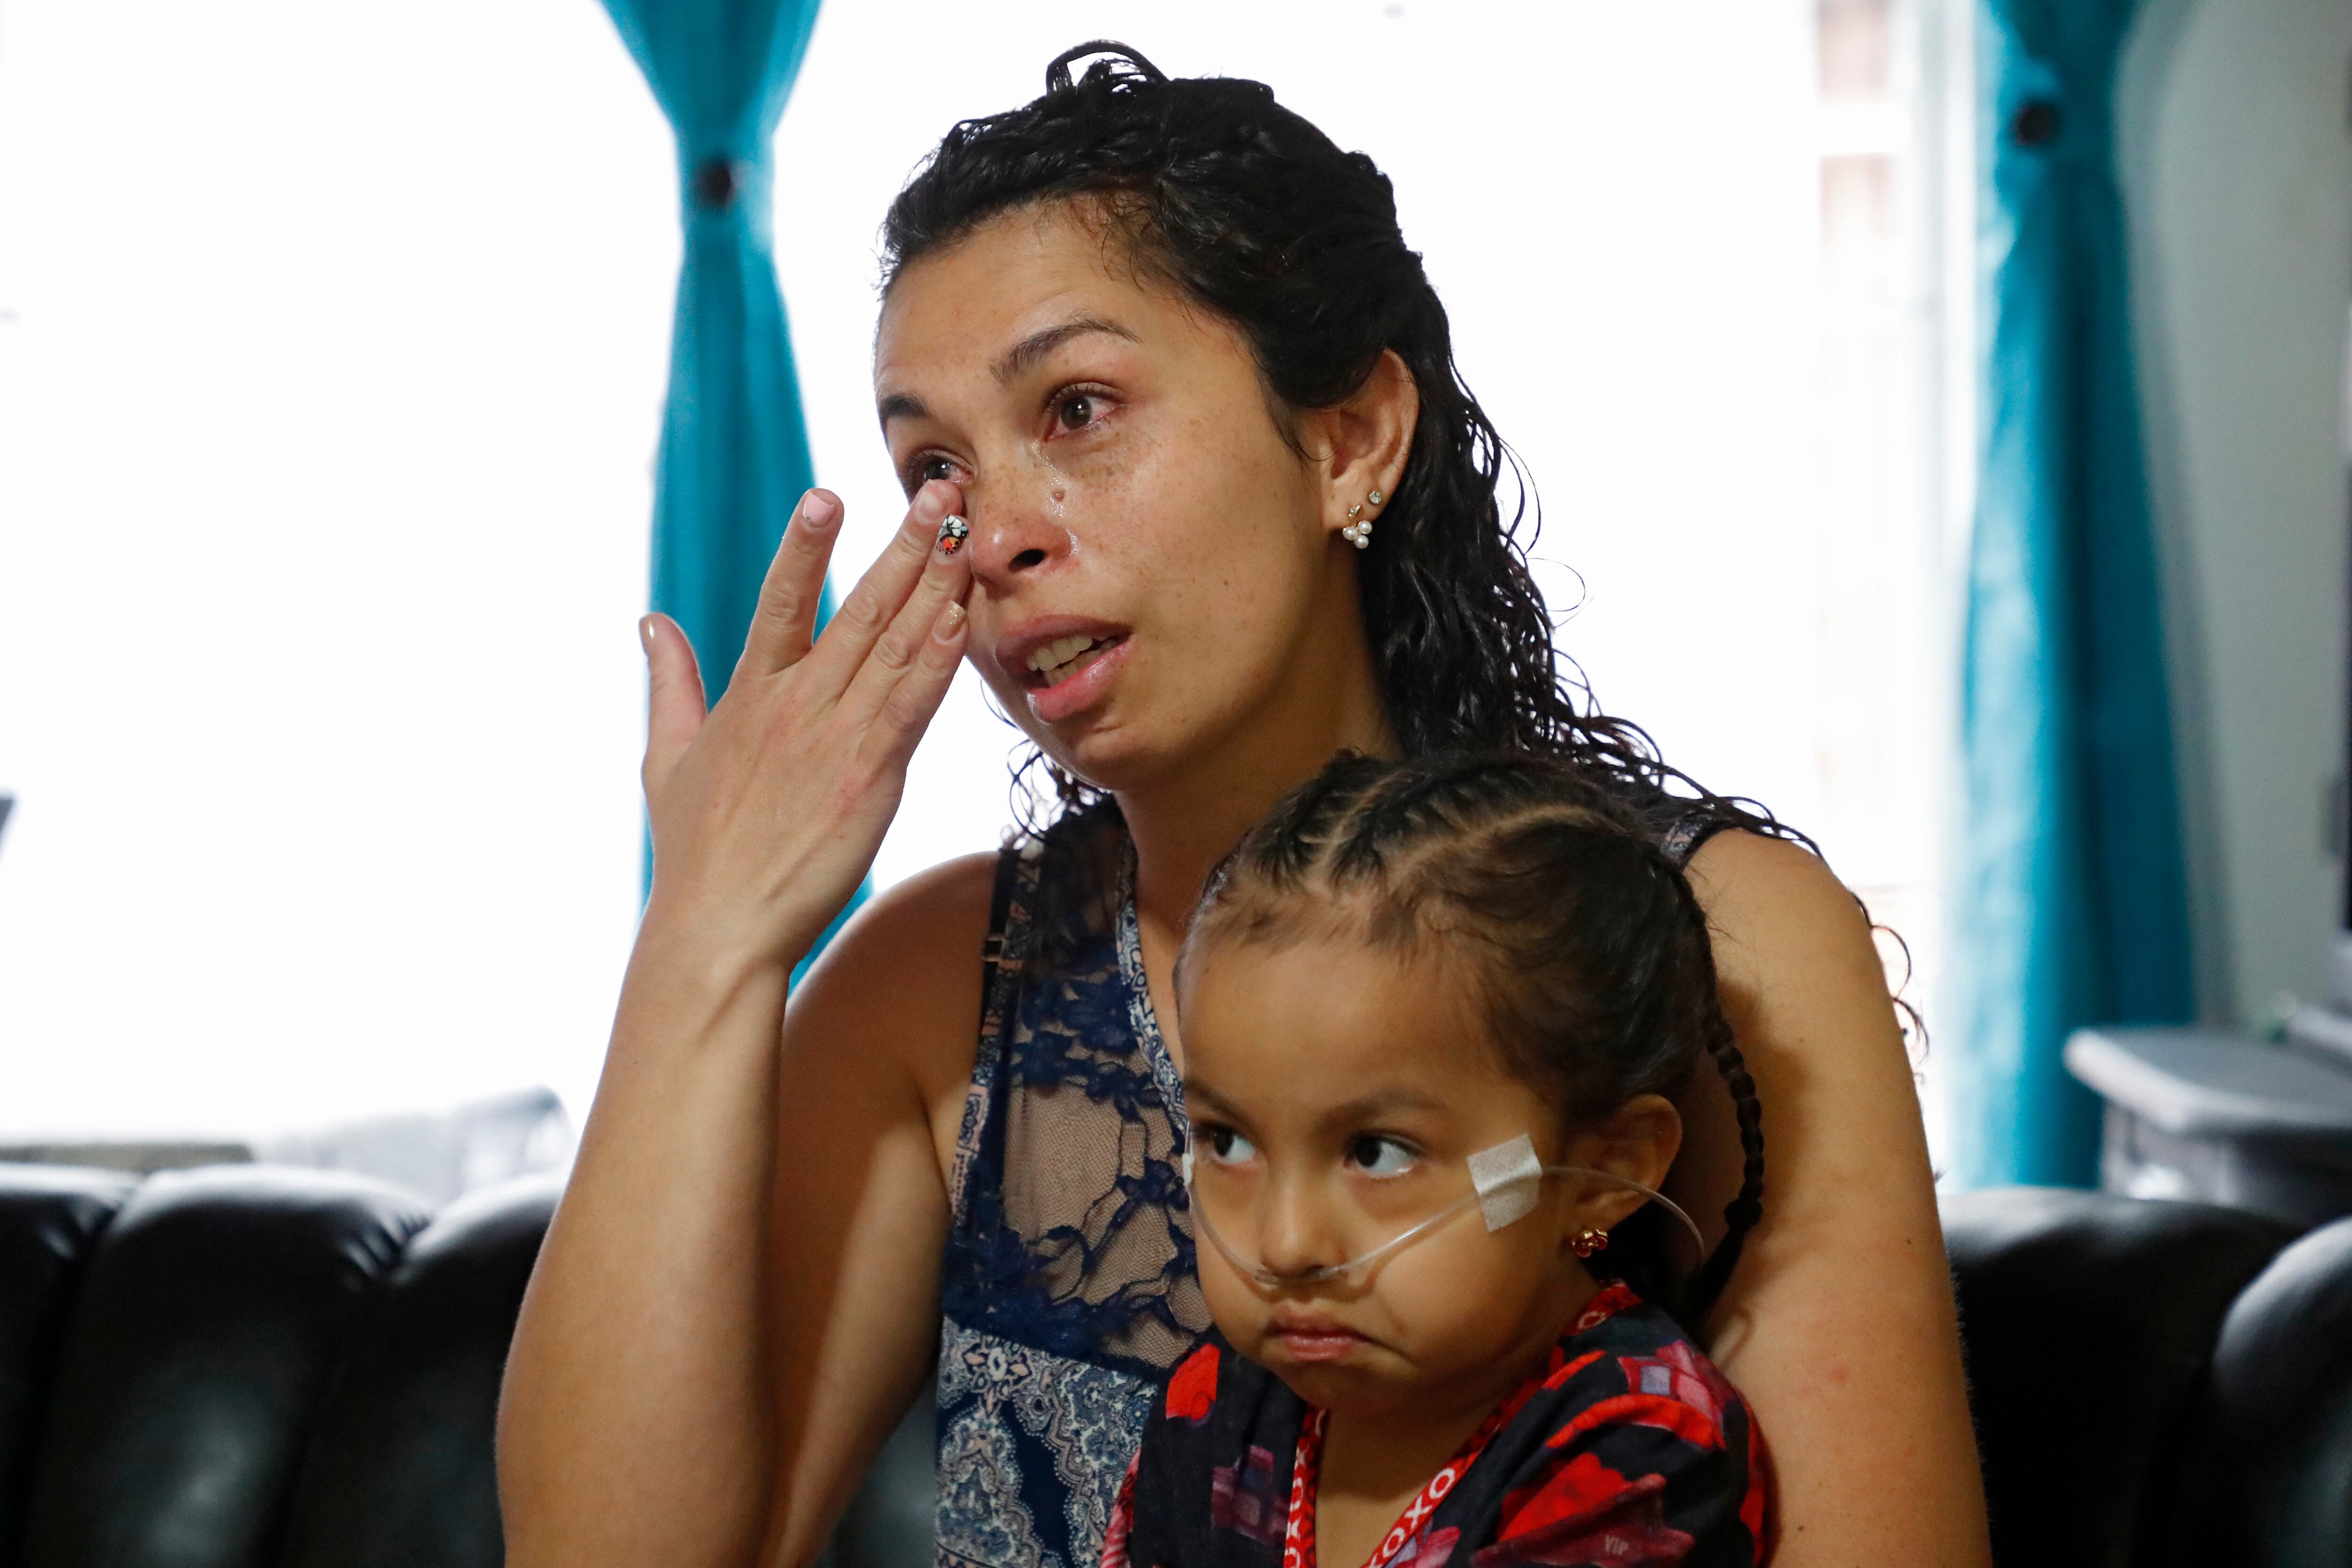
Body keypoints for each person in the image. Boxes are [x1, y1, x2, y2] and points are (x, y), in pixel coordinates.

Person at [496, 41, 1991, 1568]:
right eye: (933, 466)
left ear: (1349, 439)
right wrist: (709, 927)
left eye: (1076, 409)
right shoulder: (938, 987)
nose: (993, 530)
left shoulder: (1722, 939)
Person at [1106, 751, 1770, 1568]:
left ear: (1610, 1169)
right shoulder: (1212, 1410)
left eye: (1377, 1152)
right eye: (1228, 1141)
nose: (1284, 1245)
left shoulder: (1641, 1444)